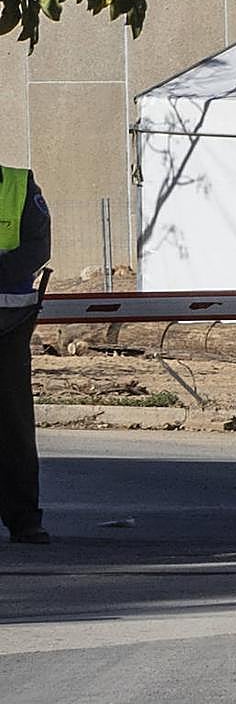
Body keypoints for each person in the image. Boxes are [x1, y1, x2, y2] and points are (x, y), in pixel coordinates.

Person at [0, 165, 51, 544]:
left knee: (13, 425)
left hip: (7, 324)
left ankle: (24, 519)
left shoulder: (18, 184)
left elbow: (37, 246)